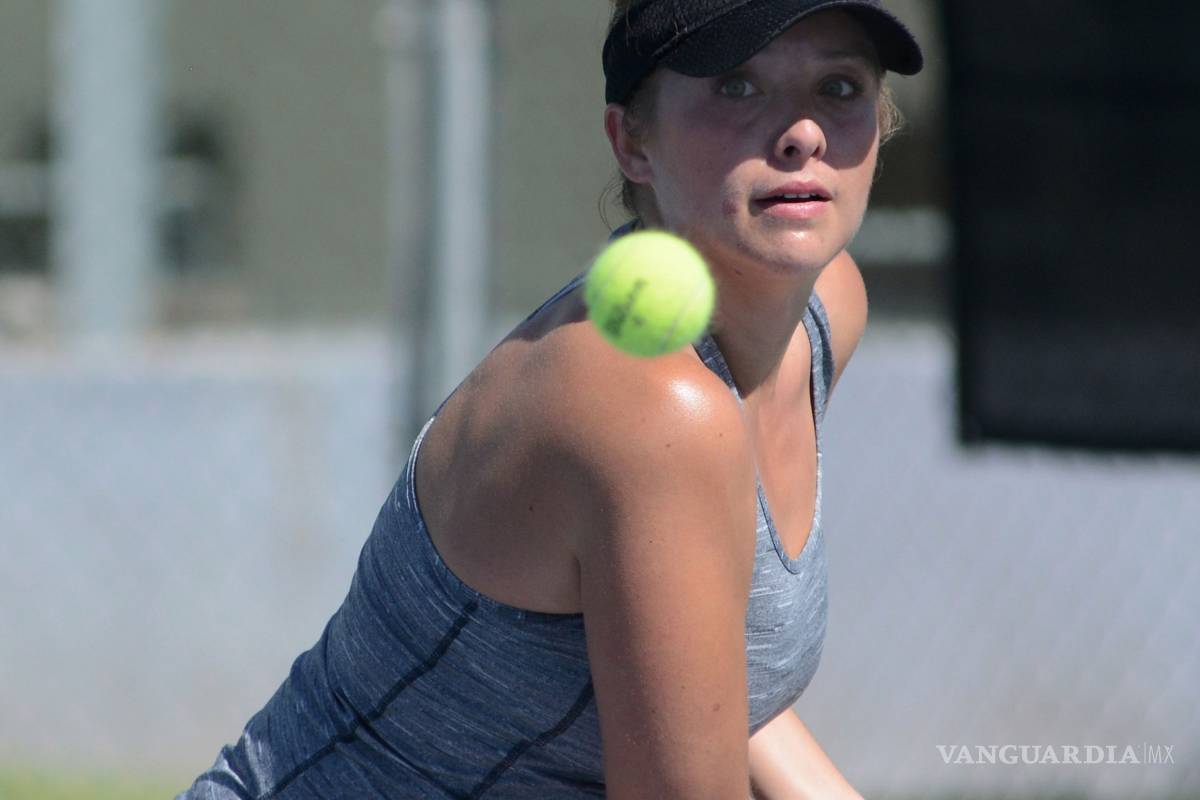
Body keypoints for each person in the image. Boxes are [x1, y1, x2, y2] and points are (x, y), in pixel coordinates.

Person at [179, 1, 922, 797]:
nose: (802, 132)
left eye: (839, 88)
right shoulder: (647, 409)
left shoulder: (823, 311)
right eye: (737, 87)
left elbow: (721, 695)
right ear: (632, 141)